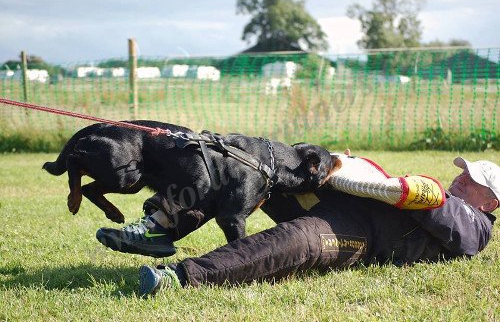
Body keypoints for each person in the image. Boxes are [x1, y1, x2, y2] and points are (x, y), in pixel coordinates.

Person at [96, 156, 499, 297]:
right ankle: (160, 225)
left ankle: (181, 277)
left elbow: (445, 216)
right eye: (461, 175)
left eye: (471, 181)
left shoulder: (477, 226)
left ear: (492, 202)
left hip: (359, 234)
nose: (459, 180)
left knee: (290, 242)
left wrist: (402, 188)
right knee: (249, 169)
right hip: (340, 200)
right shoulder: (453, 199)